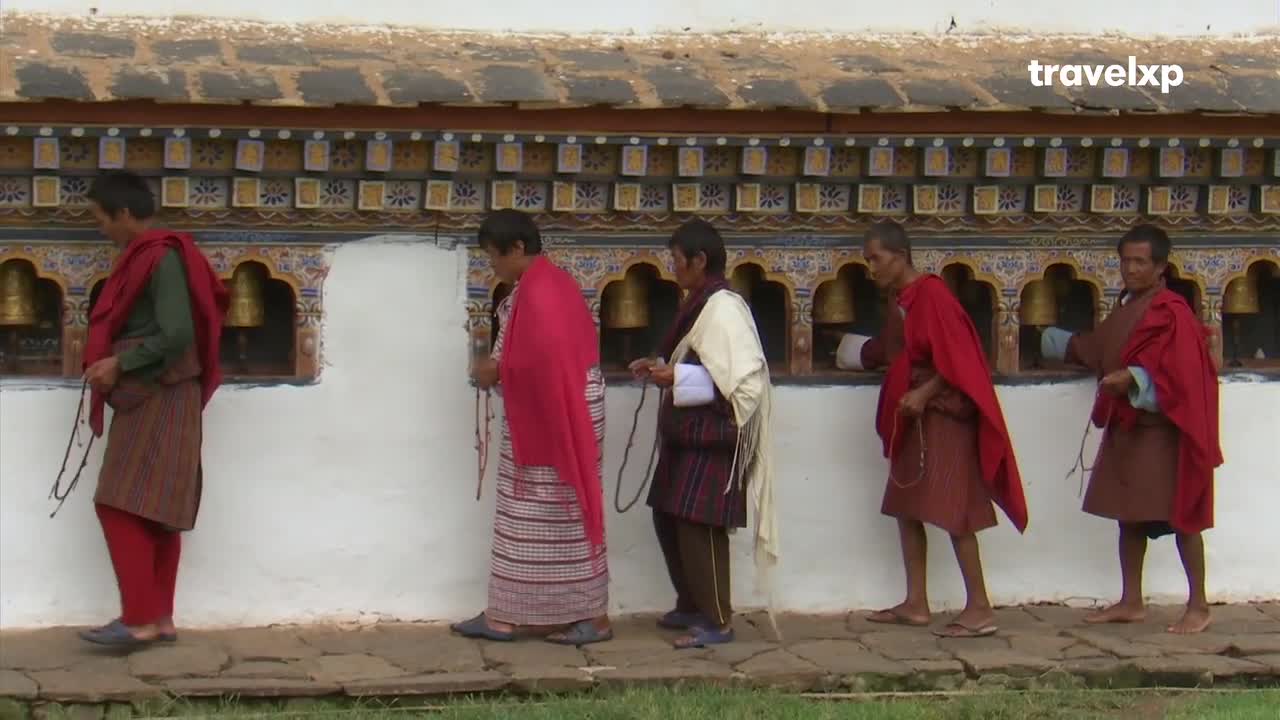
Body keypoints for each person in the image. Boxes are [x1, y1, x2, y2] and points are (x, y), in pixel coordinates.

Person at [836, 220, 1027, 638]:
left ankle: (979, 607)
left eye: (876, 259)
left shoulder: (933, 295)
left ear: (900, 256)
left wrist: (923, 394)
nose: (872, 267)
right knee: (906, 505)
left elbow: (959, 359)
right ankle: (916, 603)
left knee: (957, 510)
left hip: (942, 416)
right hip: (914, 417)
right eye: (868, 260)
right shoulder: (901, 300)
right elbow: (894, 350)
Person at [1041, 224, 1222, 634]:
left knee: (1183, 517)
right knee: (1129, 516)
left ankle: (1198, 605)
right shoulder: (1128, 308)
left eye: (1141, 262)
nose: (1131, 269)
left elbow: (1187, 375)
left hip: (1165, 432)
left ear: (1161, 267)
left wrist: (1136, 379)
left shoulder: (1172, 311)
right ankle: (1131, 600)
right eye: (1125, 260)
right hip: (1130, 429)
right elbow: (1099, 347)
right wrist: (1052, 342)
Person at [78, 171, 229, 648]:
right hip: (165, 393)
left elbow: (178, 334)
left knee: (117, 504)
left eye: (102, 218)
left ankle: (140, 619)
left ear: (124, 214)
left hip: (159, 391)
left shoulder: (160, 257)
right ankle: (158, 618)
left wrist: (120, 362)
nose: (101, 228)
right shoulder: (155, 256)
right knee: (157, 510)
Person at [452, 209, 613, 646]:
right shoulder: (548, 285)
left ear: (518, 248)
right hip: (555, 415)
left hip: (559, 419)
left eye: (494, 257)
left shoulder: (541, 293)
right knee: (536, 517)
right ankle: (509, 614)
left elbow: (541, 363)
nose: (493, 266)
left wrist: (496, 371)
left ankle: (588, 617)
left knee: (559, 514)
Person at [630, 219, 778, 649]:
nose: (672, 267)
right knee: (667, 512)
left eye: (677, 260)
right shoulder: (700, 304)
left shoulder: (724, 307)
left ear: (699, 260)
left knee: (700, 524)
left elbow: (741, 381)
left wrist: (675, 375)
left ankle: (718, 618)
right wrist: (661, 367)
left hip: (718, 434)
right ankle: (692, 603)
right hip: (689, 433)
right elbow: (702, 362)